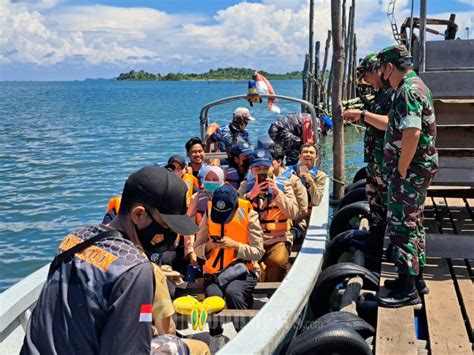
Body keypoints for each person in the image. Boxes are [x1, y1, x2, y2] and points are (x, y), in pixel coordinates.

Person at [21, 166, 206, 354]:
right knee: (200, 347)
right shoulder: (135, 269)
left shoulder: (75, 238)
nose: (169, 236)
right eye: (166, 226)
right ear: (138, 214)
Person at [374, 45, 438, 308]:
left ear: (390, 67)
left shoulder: (407, 91)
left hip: (410, 171)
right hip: (418, 169)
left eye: (383, 70)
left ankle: (407, 289)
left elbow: (411, 132)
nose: (383, 77)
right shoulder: (418, 86)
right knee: (414, 222)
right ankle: (416, 279)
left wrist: (401, 167)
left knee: (403, 226)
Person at [194, 184, 264, 352]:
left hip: (242, 271)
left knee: (233, 293)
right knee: (213, 298)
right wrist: (209, 246)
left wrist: (236, 246)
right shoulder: (209, 212)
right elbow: (198, 247)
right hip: (214, 273)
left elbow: (258, 252)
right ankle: (216, 337)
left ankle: (246, 336)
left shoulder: (249, 212)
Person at [342, 53, 394, 248]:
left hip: (386, 160)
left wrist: (362, 115)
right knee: (375, 201)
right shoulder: (379, 93)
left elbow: (390, 124)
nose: (365, 80)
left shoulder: (392, 93)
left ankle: (387, 244)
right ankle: (376, 238)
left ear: (377, 71)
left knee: (387, 202)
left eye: (366, 74)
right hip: (375, 159)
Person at [239, 149, 299, 282]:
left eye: (265, 167)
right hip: (251, 239)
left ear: (272, 167)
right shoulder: (245, 186)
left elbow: (294, 213)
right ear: (251, 169)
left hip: (277, 238)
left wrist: (278, 193)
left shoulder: (284, 185)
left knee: (277, 261)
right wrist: (250, 196)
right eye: (257, 168)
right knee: (246, 264)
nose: (262, 171)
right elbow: (235, 215)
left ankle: (272, 293)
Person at [267, 143, 309, 242]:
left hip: (294, 224)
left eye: (270, 162)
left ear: (279, 162)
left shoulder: (293, 180)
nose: (267, 166)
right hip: (269, 225)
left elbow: (303, 210)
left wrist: (292, 221)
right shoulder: (261, 180)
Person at [186, 166, 225, 267]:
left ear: (222, 180)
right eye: (207, 179)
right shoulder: (196, 197)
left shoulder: (230, 197)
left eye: (215, 179)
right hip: (202, 245)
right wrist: (191, 252)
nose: (211, 182)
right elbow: (188, 226)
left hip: (225, 243)